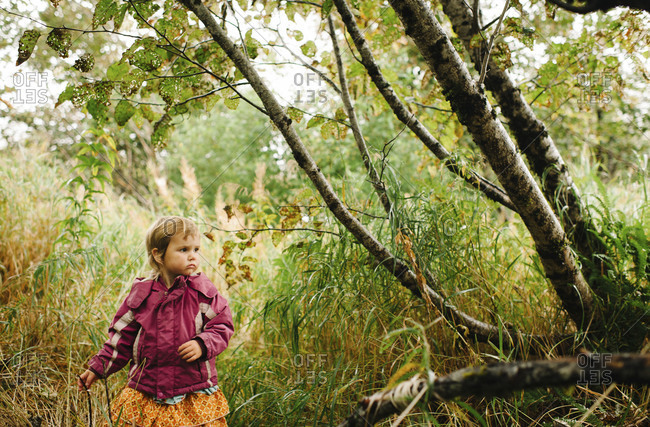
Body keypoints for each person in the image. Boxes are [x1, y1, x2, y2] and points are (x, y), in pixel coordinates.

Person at [78, 216, 234, 426]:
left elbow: (222, 326)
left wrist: (203, 343)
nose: (193, 257)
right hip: (147, 389)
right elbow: (121, 338)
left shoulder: (203, 292)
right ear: (158, 254)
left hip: (192, 390)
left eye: (196, 250)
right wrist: (98, 368)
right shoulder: (142, 295)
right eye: (183, 250)